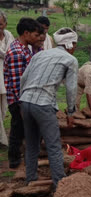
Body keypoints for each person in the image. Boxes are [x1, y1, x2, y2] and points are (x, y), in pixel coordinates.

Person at [20, 27, 78, 189]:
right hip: (44, 104)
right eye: (75, 44)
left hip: (26, 101)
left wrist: (21, 101)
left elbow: (24, 78)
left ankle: (30, 179)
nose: (75, 47)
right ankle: (59, 183)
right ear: (70, 44)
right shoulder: (70, 60)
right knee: (53, 145)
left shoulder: (39, 54)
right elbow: (71, 88)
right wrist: (71, 112)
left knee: (31, 144)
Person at [4, 18, 42, 168]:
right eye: (35, 35)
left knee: (23, 129)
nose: (38, 38)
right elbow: (17, 83)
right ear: (26, 33)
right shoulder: (16, 52)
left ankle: (24, 159)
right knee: (17, 130)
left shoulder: (26, 49)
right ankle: (14, 162)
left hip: (26, 99)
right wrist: (21, 107)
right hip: (18, 100)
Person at [0, 10, 14, 146]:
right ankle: (2, 139)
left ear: (5, 24)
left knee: (4, 108)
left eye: (1, 24)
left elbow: (10, 54)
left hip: (5, 76)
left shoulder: (9, 35)